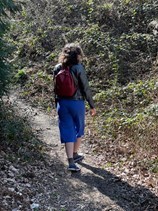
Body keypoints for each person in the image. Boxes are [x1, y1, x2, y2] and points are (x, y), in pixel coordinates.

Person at [53, 43, 96, 172]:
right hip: (77, 103)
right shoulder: (78, 68)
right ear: (77, 55)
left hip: (62, 103)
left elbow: (55, 88)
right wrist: (92, 105)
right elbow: (85, 88)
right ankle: (75, 154)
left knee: (67, 130)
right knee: (78, 128)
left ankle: (71, 161)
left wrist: (57, 104)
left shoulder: (57, 68)